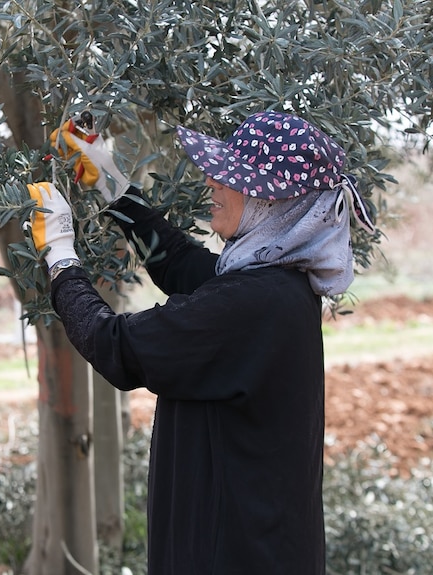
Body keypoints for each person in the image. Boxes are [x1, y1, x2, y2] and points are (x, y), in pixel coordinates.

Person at [27, 111, 375, 574]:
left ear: (270, 202)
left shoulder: (253, 302)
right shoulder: (279, 283)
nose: (212, 180)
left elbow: (116, 346)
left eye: (231, 176)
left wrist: (61, 257)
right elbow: (181, 265)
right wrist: (111, 185)